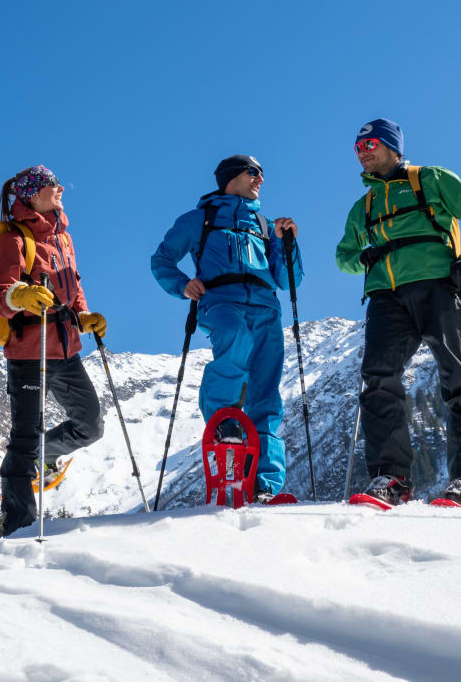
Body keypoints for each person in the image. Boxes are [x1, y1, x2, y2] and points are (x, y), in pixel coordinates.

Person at [151, 154, 303, 502]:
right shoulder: (199, 219)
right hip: (221, 302)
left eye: (261, 173)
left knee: (266, 392)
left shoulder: (265, 225)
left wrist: (288, 243)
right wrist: (182, 284)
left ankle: (264, 484)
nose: (260, 179)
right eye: (254, 172)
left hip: (266, 309)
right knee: (235, 338)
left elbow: (287, 279)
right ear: (231, 177)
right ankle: (224, 426)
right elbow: (161, 259)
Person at [0, 165, 105, 536]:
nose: (61, 188)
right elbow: (0, 297)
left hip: (66, 348)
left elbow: (73, 287)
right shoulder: (14, 238)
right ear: (32, 194)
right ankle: (19, 527)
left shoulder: (64, 238)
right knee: (24, 438)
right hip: (29, 352)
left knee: (91, 424)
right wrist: (21, 296)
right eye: (52, 184)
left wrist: (84, 315)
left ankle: (46, 455)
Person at [336, 118, 461, 506]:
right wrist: (363, 257)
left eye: (370, 144)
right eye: (358, 148)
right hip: (385, 298)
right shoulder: (364, 206)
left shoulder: (430, 179)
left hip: (438, 285)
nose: (363, 152)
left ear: (393, 146)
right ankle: (392, 479)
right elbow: (344, 256)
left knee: (457, 375)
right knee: (378, 379)